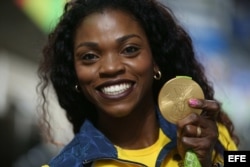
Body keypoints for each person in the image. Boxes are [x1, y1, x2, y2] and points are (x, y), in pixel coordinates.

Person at [38, 0, 239, 166]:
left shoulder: (209, 136)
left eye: (129, 49)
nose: (110, 67)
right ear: (75, 74)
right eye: (90, 56)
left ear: (155, 61)